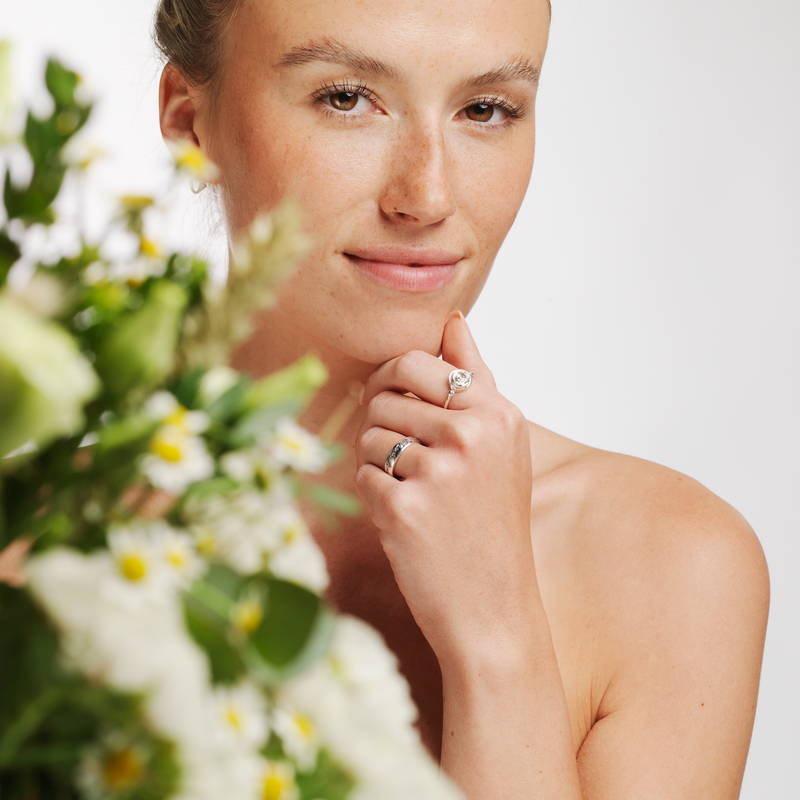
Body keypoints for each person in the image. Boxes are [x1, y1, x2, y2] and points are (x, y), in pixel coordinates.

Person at [156, 0, 770, 796]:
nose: (426, 195)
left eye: (486, 109)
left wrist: (496, 638)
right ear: (187, 121)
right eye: (346, 98)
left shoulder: (671, 564)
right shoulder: (45, 540)